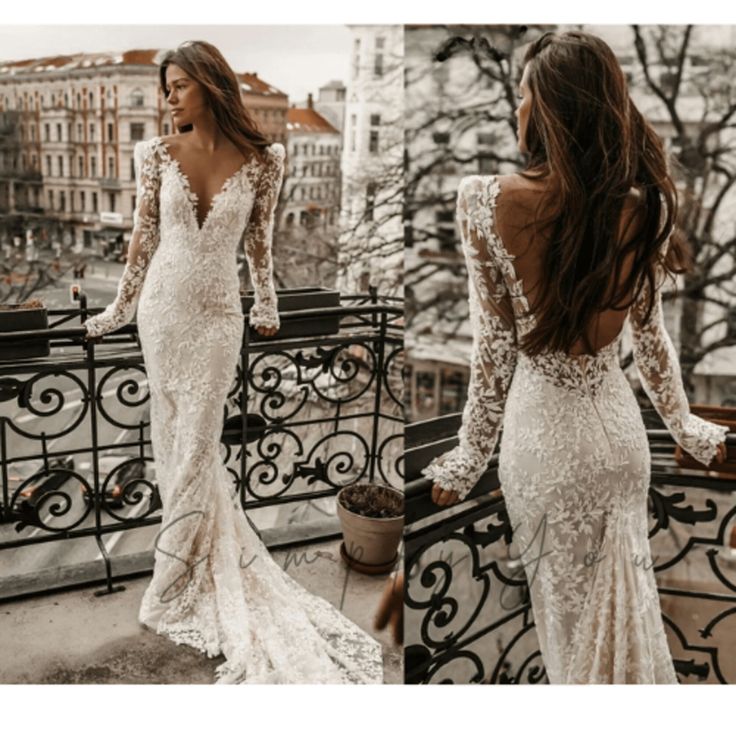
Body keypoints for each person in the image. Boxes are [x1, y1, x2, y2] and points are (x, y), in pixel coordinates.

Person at [421, 30, 729, 684]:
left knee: (569, 638)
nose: (516, 109)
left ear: (549, 108)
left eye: (525, 94)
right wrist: (689, 430)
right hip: (622, 447)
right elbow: (651, 344)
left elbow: (493, 351)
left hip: (546, 450)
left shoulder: (486, 201)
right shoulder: (640, 207)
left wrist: (469, 454)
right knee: (620, 615)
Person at [83, 40, 383, 684]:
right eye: (165, 86)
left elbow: (259, 244)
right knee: (172, 443)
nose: (167, 98)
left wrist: (268, 304)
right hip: (160, 313)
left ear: (211, 86)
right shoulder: (154, 153)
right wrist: (117, 311)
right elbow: (142, 239)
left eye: (178, 85)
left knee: (196, 443)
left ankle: (173, 581)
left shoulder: (265, 159)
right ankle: (188, 564)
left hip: (221, 318)